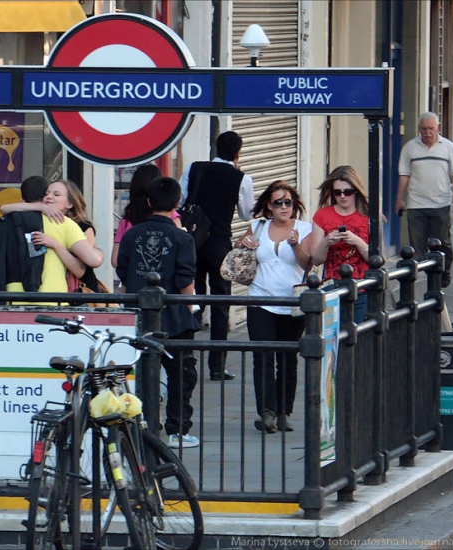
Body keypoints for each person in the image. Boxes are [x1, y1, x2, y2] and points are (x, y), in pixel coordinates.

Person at [116, 176, 202, 448]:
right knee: (181, 375)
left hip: (139, 315)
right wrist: (189, 311)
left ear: (150, 202)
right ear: (177, 203)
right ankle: (178, 430)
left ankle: (144, 425)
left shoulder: (132, 234)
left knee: (142, 374)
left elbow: (124, 272)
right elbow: (186, 280)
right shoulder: (182, 237)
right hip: (175, 317)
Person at [235, 181, 312, 433]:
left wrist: (295, 245)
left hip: (292, 303)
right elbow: (237, 249)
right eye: (277, 202)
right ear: (268, 206)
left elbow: (307, 263)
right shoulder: (257, 226)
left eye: (287, 202)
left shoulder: (303, 229)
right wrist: (242, 244)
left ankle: (283, 412)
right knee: (263, 357)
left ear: (294, 205)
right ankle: (266, 411)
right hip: (260, 300)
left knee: (288, 360)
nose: (283, 207)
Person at [181, 131, 254, 381]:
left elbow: (181, 201)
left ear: (214, 148)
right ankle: (216, 366)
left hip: (192, 242)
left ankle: (186, 360)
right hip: (220, 244)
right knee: (221, 304)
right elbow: (246, 214)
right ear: (237, 153)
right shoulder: (241, 178)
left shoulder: (195, 168)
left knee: (192, 298)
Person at [0, 179, 104, 294]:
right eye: (47, 193)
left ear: (70, 204)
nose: (49, 197)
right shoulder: (39, 219)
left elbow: (87, 265)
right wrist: (40, 207)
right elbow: (4, 209)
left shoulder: (78, 225)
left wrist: (55, 244)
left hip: (79, 289)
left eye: (56, 194)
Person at [396, 112, 453, 287]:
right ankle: (416, 283)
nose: (427, 132)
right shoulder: (410, 148)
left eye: (431, 128)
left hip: (441, 203)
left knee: (443, 243)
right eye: (423, 129)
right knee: (417, 246)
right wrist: (399, 199)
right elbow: (404, 175)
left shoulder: (448, 147)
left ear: (437, 128)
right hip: (416, 204)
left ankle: (444, 272)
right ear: (419, 129)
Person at [309, 165, 371, 323]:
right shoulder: (322, 215)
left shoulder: (369, 215)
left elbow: (377, 258)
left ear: (356, 190)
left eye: (347, 192)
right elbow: (316, 259)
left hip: (363, 288)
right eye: (337, 192)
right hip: (332, 288)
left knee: (359, 339)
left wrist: (357, 241)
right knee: (334, 340)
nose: (343, 196)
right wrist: (327, 242)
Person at [112, 164, 181, 268]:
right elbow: (180, 253)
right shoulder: (171, 216)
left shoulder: (127, 222)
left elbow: (116, 261)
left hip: (134, 281)